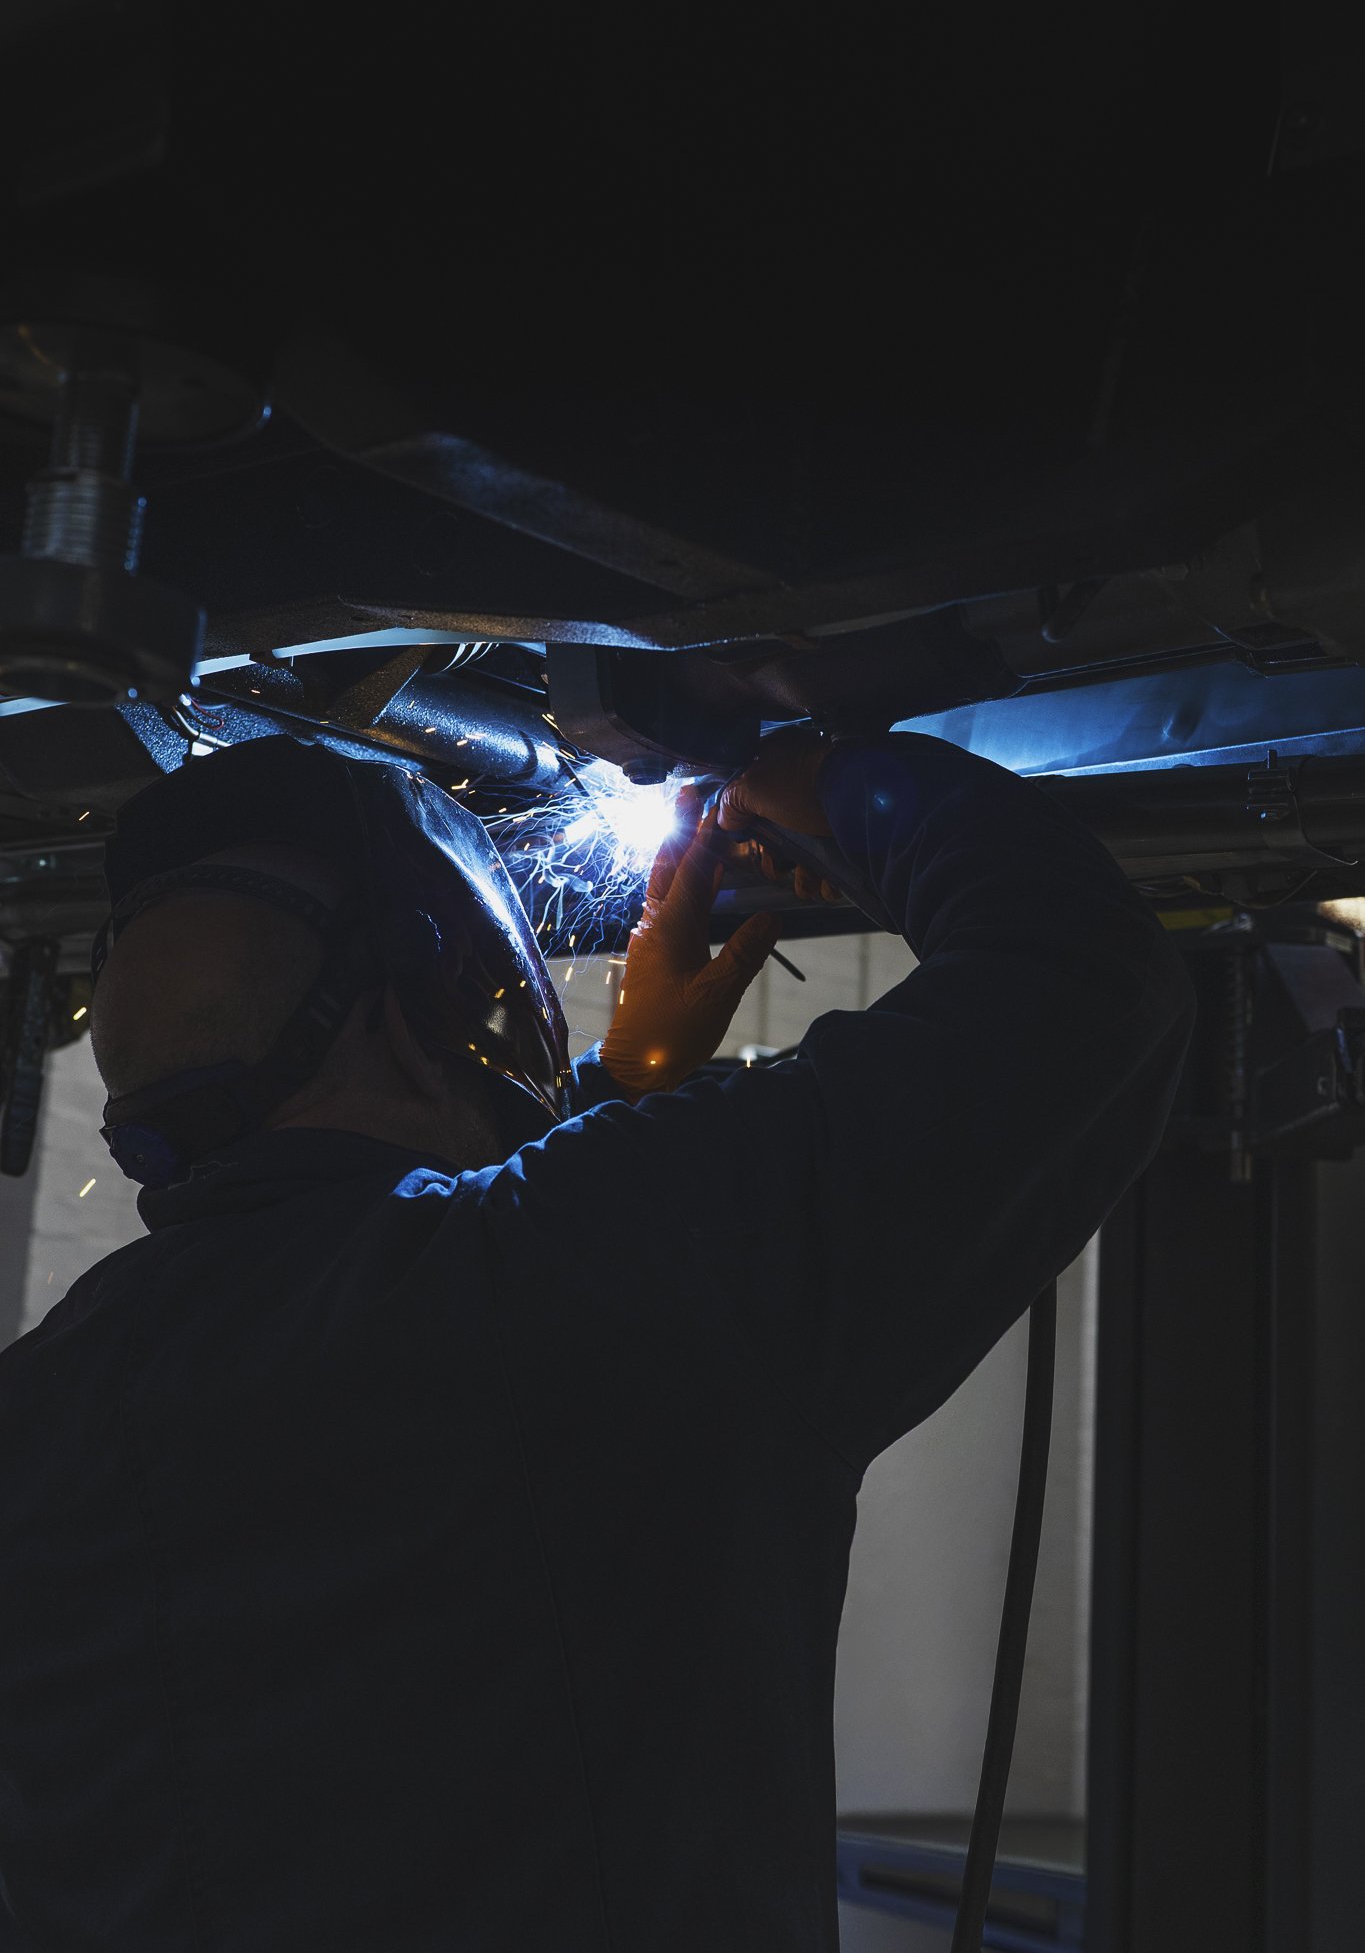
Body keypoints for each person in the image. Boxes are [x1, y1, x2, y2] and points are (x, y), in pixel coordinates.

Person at [0, 724, 1194, 1952]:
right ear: (447, 1006)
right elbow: (1078, 978)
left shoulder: (39, 1412)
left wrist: (626, 1085)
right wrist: (846, 781)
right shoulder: (599, 1265)